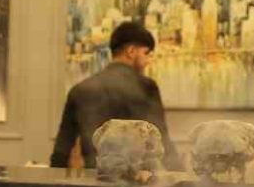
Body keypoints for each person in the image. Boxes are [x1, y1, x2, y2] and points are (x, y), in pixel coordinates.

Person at [49, 21, 181, 169]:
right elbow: (162, 140)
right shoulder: (146, 87)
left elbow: (61, 152)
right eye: (146, 53)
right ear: (131, 51)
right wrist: (181, 176)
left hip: (94, 179)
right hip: (134, 180)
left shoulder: (79, 90)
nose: (147, 61)